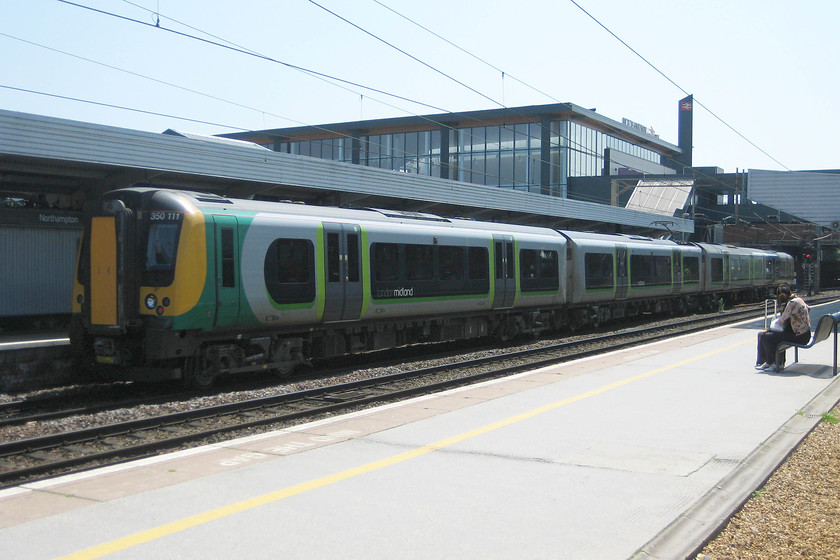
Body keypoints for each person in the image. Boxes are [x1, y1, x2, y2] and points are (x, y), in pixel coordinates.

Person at [755, 284, 811, 372]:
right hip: (804, 334)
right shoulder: (798, 299)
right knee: (763, 334)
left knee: (766, 336)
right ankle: (769, 362)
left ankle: (775, 364)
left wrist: (771, 327)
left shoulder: (791, 304)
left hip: (799, 336)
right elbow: (809, 308)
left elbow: (780, 322)